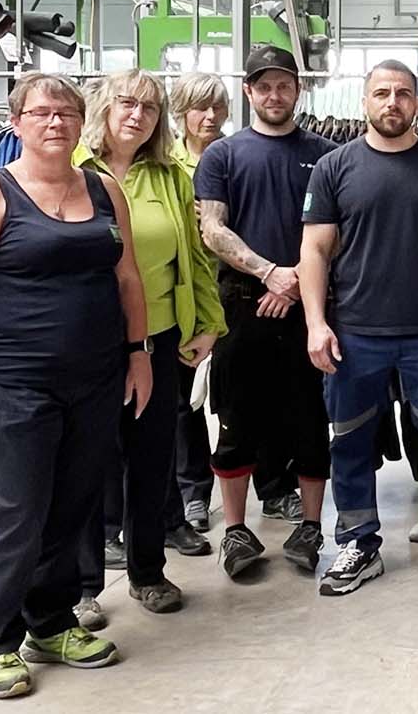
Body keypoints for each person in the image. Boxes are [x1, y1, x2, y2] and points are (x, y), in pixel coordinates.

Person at [0, 74, 145, 699]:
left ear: (80, 122)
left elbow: (127, 277)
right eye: (41, 113)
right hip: (16, 381)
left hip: (96, 376)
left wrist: (138, 355)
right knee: (19, 510)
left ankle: (50, 623)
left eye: (66, 112)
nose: (55, 122)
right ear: (16, 123)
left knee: (73, 503)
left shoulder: (103, 188)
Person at [300, 60, 418, 596]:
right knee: (350, 441)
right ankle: (358, 542)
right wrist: (316, 323)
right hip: (354, 332)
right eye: (381, 93)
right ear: (365, 102)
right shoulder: (334, 168)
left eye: (403, 93)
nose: (392, 102)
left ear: (417, 102)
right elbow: (314, 249)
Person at [75, 71, 225, 619]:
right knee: (85, 462)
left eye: (151, 107)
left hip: (159, 336)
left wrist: (209, 322)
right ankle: (81, 588)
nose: (138, 115)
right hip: (86, 339)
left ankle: (147, 571)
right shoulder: (71, 169)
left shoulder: (170, 176)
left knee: (151, 457)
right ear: (103, 107)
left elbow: (195, 256)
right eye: (127, 103)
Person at [196, 46, 337, 579]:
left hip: (310, 308)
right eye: (264, 86)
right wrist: (267, 272)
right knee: (237, 420)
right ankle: (235, 530)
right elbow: (212, 228)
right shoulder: (223, 155)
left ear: (298, 90)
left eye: (284, 85)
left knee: (310, 419)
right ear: (249, 92)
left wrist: (295, 281)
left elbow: (339, 230)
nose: (274, 95)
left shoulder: (327, 155)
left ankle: (311, 526)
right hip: (242, 306)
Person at [165, 72, 230, 537]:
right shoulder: (164, 162)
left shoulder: (236, 154)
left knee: (234, 395)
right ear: (180, 112)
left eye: (217, 107)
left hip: (233, 286)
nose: (209, 117)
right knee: (182, 403)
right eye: (199, 108)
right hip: (183, 293)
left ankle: (260, 481)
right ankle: (193, 493)